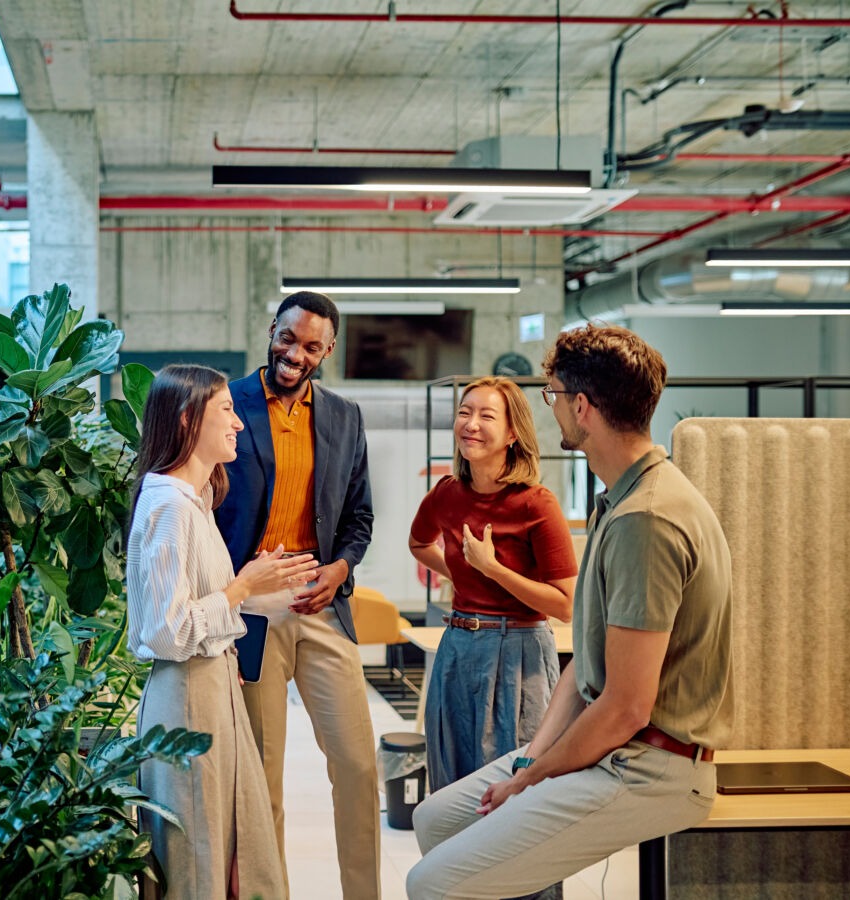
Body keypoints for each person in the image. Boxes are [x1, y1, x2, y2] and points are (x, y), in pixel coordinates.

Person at [404, 325, 734, 899]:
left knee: (430, 883)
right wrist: (532, 756)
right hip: (621, 748)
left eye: (552, 396)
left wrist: (534, 776)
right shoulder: (624, 497)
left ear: (581, 407)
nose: (550, 408)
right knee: (435, 820)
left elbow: (626, 707)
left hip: (649, 767)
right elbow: (589, 664)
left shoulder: (646, 519)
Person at [128, 363, 318, 900]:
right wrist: (240, 590)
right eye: (227, 410)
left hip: (211, 688)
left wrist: (258, 585)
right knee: (198, 856)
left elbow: (195, 608)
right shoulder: (169, 506)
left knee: (225, 845)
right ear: (189, 419)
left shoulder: (194, 500)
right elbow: (167, 631)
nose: (238, 424)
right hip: (187, 696)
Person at [214, 292, 381, 900]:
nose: (295, 354)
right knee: (264, 780)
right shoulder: (226, 403)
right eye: (288, 338)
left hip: (320, 604)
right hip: (252, 612)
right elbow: (203, 509)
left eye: (311, 346)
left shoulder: (343, 416)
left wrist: (340, 568)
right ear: (272, 331)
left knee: (359, 767)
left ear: (327, 351)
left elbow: (360, 518)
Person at [408, 376, 577, 900]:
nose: (470, 424)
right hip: (457, 648)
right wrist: (461, 573)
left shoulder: (536, 504)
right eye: (465, 412)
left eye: (486, 416)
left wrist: (492, 569)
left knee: (516, 800)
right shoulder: (446, 495)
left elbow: (566, 603)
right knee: (454, 789)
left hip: (519, 653)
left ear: (512, 434)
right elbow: (418, 543)